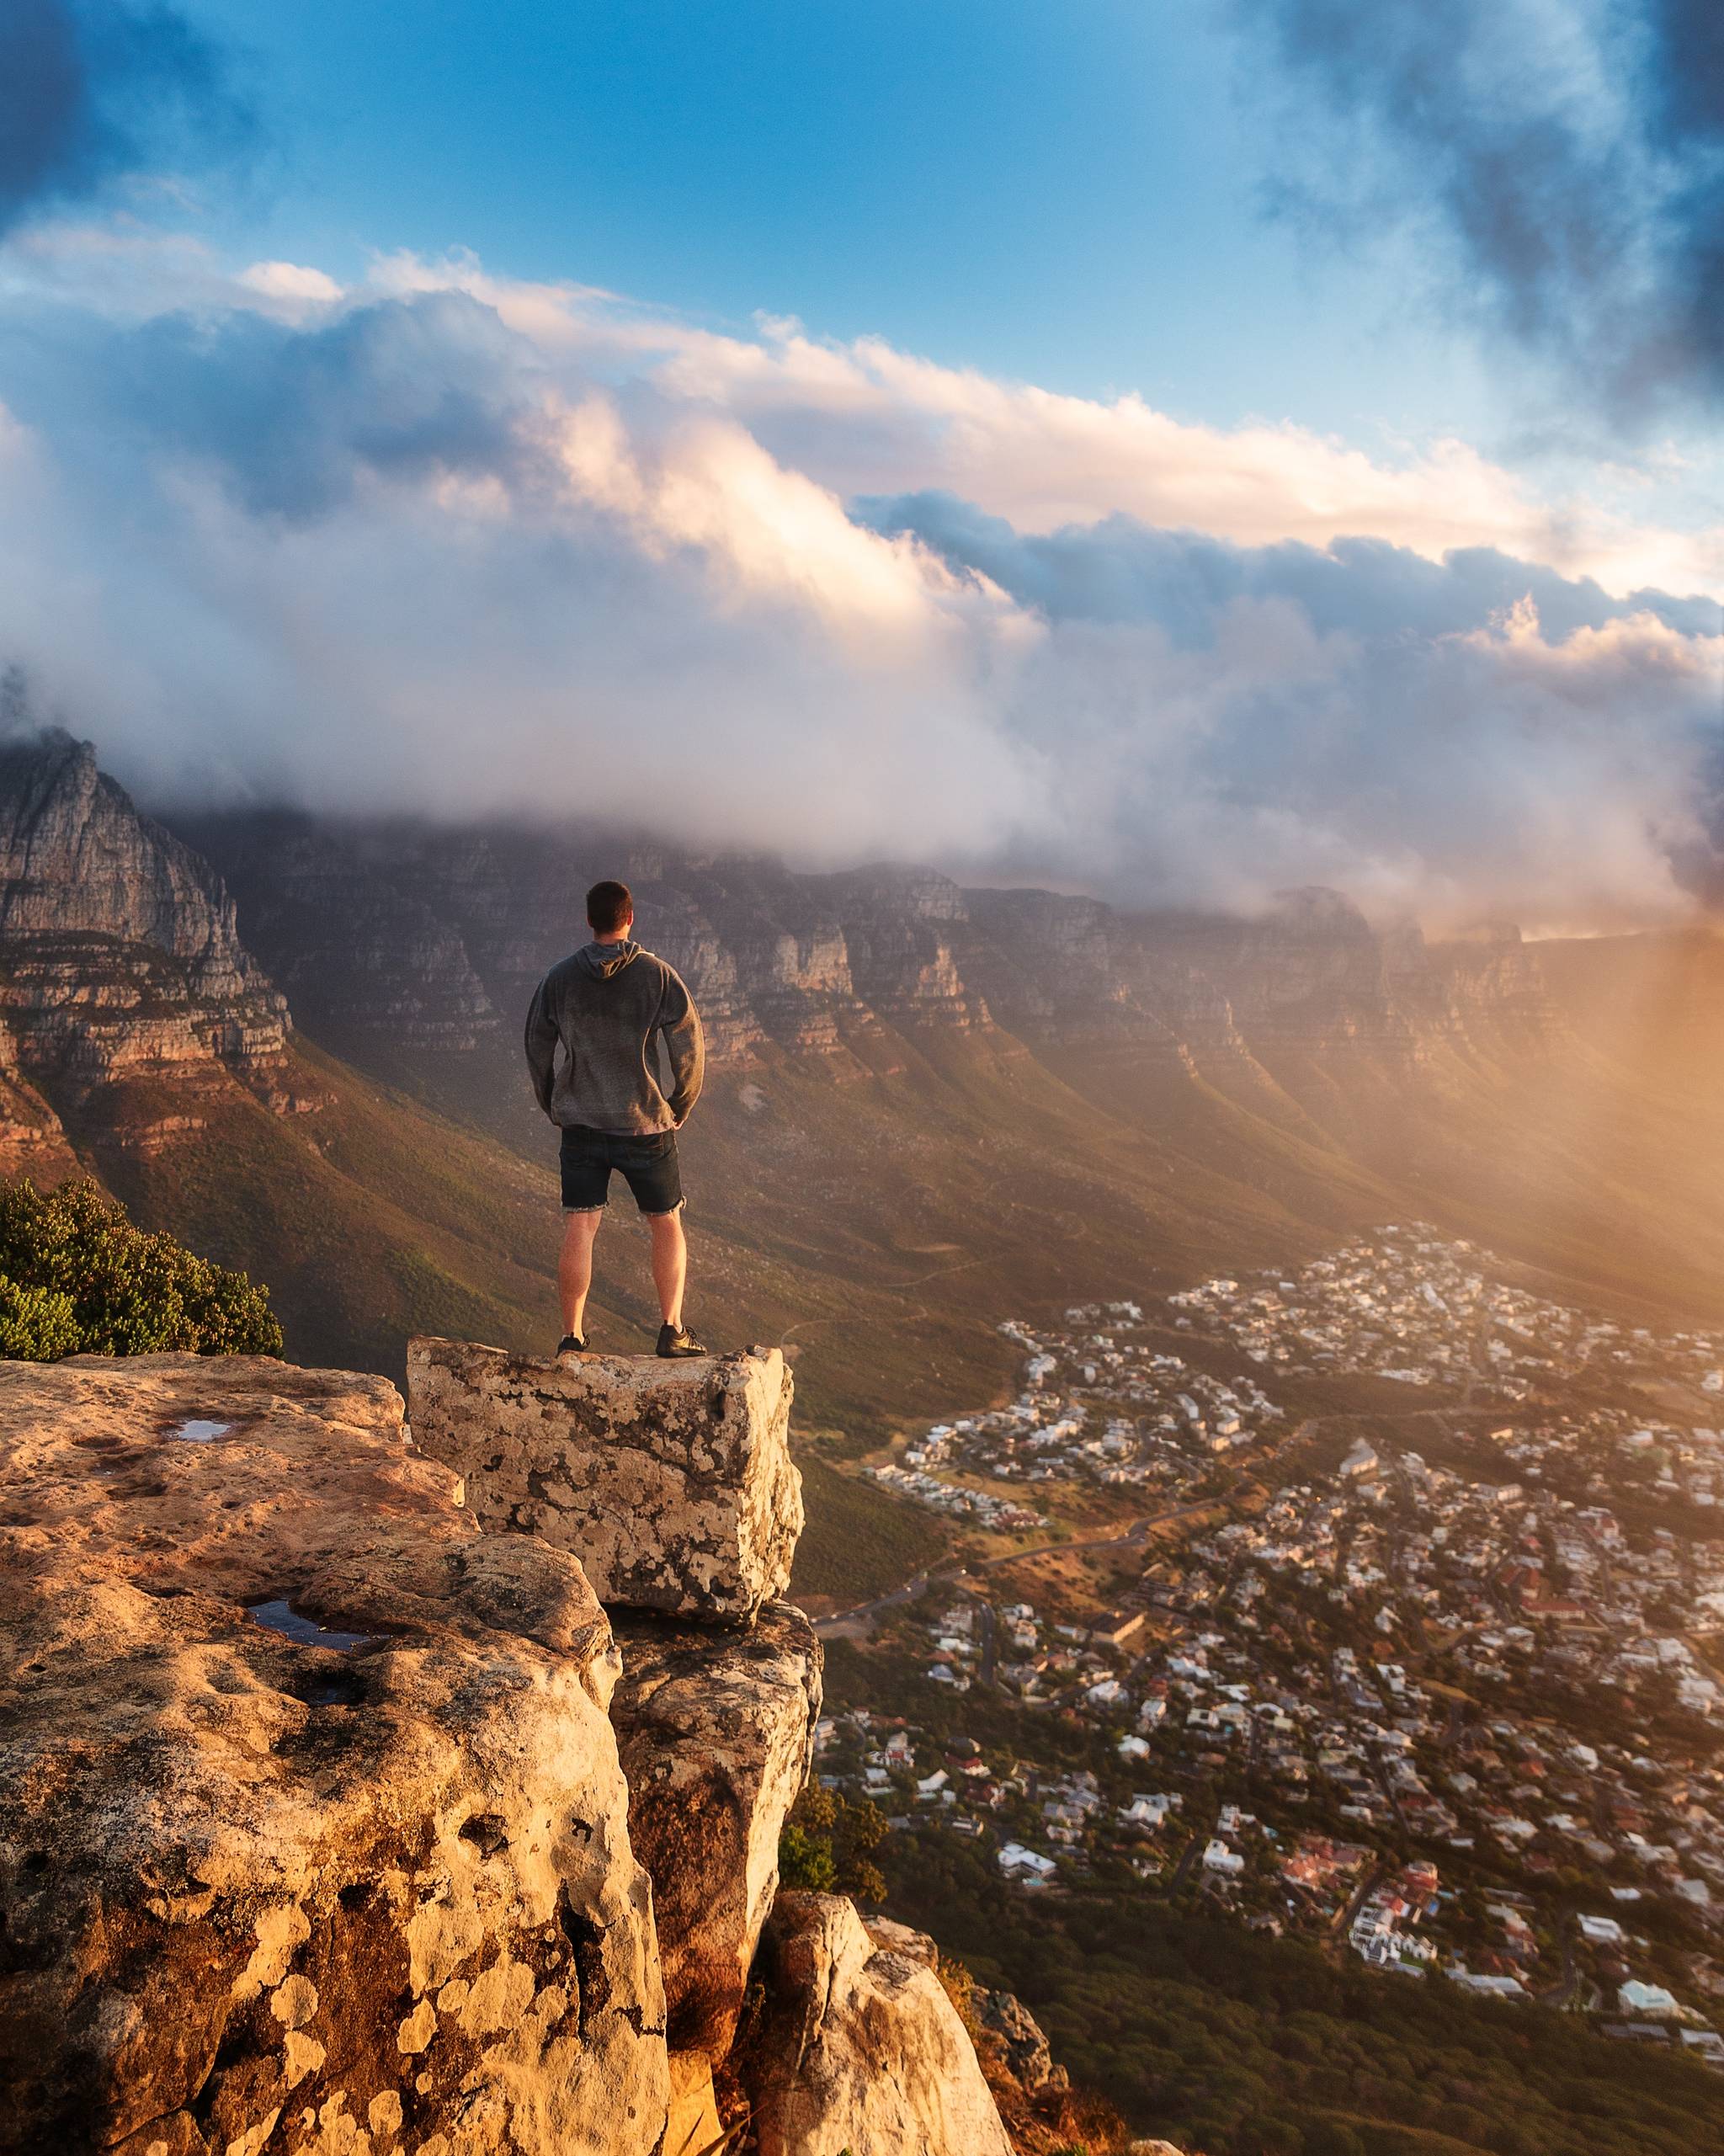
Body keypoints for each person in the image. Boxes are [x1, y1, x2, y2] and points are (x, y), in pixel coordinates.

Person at [524, 878, 706, 1358]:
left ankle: (572, 1337)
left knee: (580, 1227)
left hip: (581, 1124)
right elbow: (689, 1046)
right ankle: (672, 1329)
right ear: (630, 919)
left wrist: (552, 1102)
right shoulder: (658, 976)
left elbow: (537, 1046)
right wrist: (679, 1104)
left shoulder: (559, 979)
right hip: (645, 1124)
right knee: (666, 1223)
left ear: (590, 921)